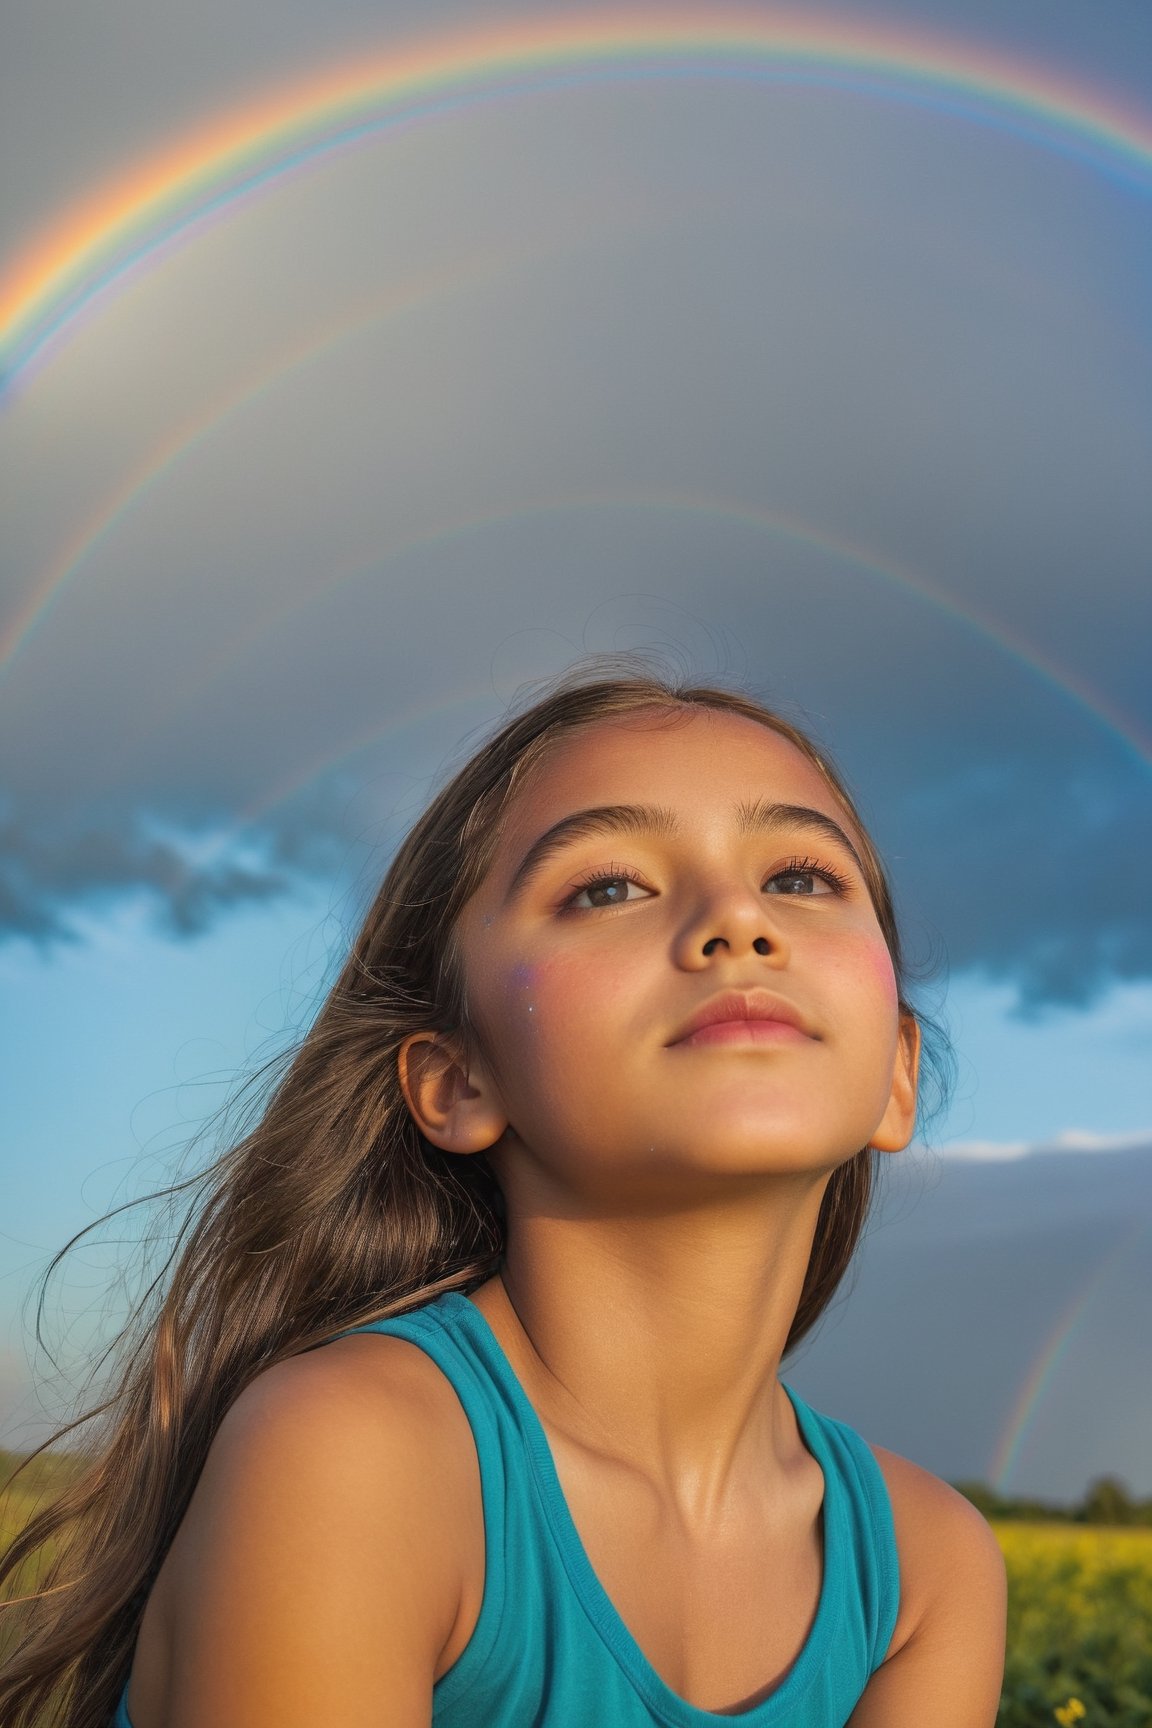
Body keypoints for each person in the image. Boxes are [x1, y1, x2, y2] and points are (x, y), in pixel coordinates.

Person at [1, 663, 1006, 1727]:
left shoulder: (929, 1573)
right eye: (608, 887)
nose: (736, 923)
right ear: (458, 1079)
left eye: (801, 877)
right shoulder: (352, 1457)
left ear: (898, 1074)